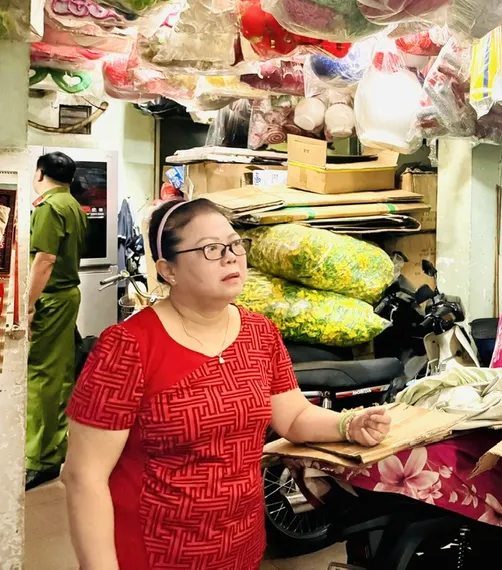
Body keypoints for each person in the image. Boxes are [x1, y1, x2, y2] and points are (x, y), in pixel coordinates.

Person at [62, 198, 392, 570]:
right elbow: (84, 476)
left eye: (235, 245)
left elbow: (294, 416)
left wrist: (348, 424)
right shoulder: (127, 347)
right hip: (153, 553)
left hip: (240, 548)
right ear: (168, 270)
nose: (231, 258)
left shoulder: (260, 333)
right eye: (211, 249)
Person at [25, 152, 88, 490]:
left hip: (50, 300)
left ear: (39, 174)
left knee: (42, 376)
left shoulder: (49, 208)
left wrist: (27, 305)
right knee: (61, 374)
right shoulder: (73, 205)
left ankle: (39, 459)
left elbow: (45, 259)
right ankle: (54, 448)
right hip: (67, 296)